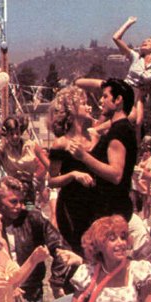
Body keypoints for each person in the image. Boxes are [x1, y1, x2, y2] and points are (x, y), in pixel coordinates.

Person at [76, 17, 151, 140]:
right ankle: (90, 116)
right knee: (79, 83)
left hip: (135, 95)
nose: (144, 41)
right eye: (144, 40)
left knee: (134, 118)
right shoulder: (136, 56)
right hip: (121, 86)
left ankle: (96, 130)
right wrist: (128, 23)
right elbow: (116, 38)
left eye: (149, 41)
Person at [0, 176, 80, 302]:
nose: (20, 206)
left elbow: (60, 246)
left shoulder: (33, 218)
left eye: (22, 201)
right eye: (13, 201)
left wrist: (57, 281)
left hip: (28, 291)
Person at [66, 79, 138, 224]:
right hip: (110, 208)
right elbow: (78, 82)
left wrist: (83, 156)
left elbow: (116, 174)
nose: (101, 100)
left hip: (111, 211)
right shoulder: (118, 128)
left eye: (105, 96)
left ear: (118, 100)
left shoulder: (120, 131)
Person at [48, 85, 98, 254]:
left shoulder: (95, 136)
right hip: (71, 207)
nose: (88, 106)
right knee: (79, 251)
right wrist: (73, 175)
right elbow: (51, 180)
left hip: (95, 202)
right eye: (84, 103)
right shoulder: (60, 143)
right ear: (72, 109)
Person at [0, 115, 49, 206]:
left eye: (17, 133)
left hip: (29, 191)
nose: (15, 137)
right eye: (11, 134)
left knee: (30, 213)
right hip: (12, 193)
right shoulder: (4, 150)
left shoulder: (31, 146)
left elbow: (48, 165)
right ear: (6, 135)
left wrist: (40, 179)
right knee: (15, 214)